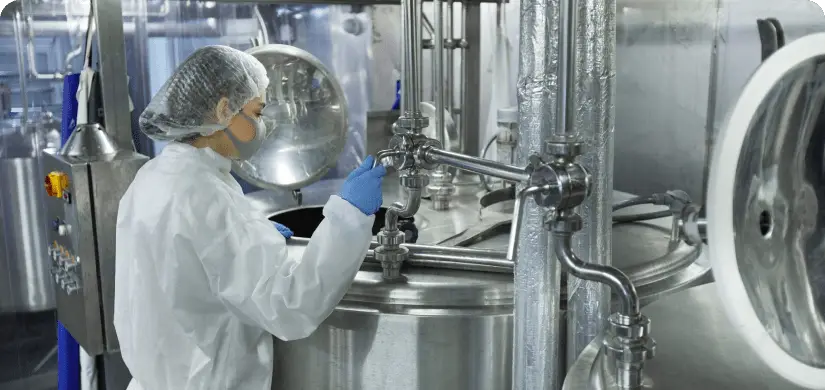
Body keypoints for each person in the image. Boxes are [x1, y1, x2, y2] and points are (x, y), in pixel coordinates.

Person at [113, 45, 387, 390]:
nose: (262, 126)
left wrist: (252, 235)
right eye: (257, 113)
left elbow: (184, 265)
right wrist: (350, 216)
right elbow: (290, 305)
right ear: (224, 109)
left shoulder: (152, 177)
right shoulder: (206, 196)